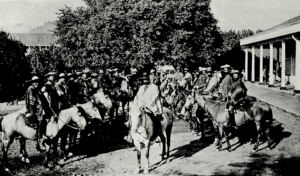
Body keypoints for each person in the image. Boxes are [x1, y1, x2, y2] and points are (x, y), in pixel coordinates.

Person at [130, 72, 163, 140]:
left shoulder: (154, 87)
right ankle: (131, 135)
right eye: (143, 80)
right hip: (141, 107)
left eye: (146, 79)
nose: (145, 81)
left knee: (155, 118)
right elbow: (138, 97)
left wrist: (148, 106)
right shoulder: (141, 87)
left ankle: (157, 134)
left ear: (149, 79)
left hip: (151, 107)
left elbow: (156, 98)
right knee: (134, 117)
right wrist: (137, 105)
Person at [25, 76, 46, 151]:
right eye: (34, 82)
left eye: (37, 81)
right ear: (32, 82)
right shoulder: (31, 89)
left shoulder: (38, 89)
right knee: (40, 121)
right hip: (33, 110)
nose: (36, 83)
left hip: (39, 109)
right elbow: (31, 102)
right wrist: (32, 112)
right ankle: (39, 141)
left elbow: (43, 99)